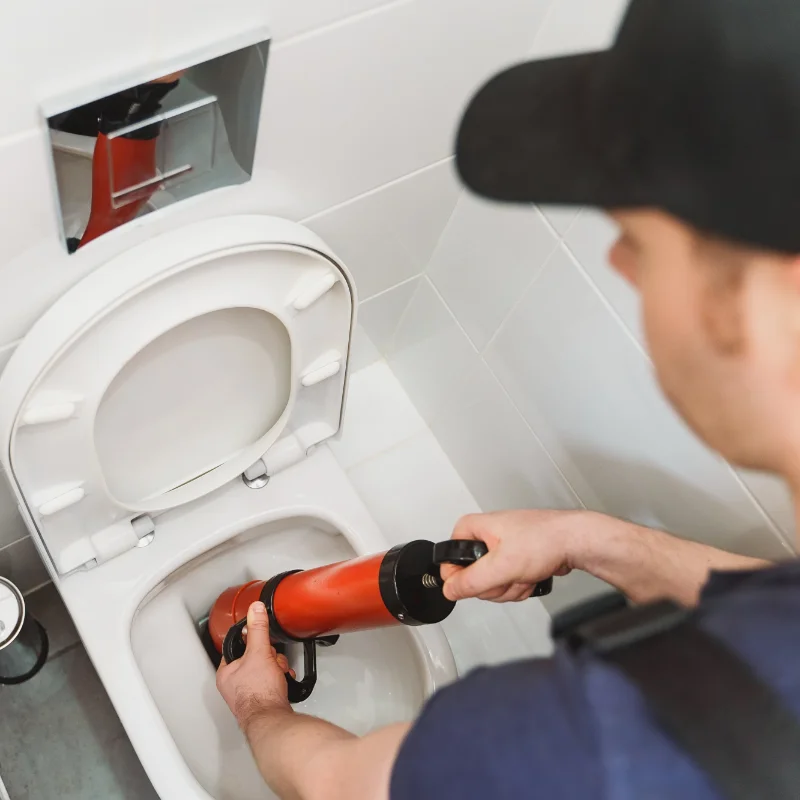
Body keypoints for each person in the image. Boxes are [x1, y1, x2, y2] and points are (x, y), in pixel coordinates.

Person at [216, 0, 800, 797]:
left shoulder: (601, 748)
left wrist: (257, 708)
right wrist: (585, 538)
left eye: (638, 240)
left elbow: (338, 784)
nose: (622, 267)